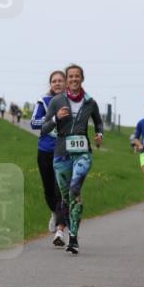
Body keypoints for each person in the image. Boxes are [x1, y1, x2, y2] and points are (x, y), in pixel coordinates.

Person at [40, 64, 103, 255]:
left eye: (77, 76)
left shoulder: (90, 102)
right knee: (66, 196)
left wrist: (99, 134)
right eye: (71, 76)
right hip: (60, 152)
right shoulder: (57, 101)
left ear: (82, 78)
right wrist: (57, 118)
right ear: (67, 80)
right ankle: (69, 233)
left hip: (83, 152)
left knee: (75, 189)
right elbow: (44, 128)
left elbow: (98, 121)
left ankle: (73, 237)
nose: (74, 79)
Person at [30, 70, 68, 246]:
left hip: (64, 152)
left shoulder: (72, 103)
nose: (57, 83)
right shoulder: (43, 102)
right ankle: (55, 212)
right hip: (45, 151)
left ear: (66, 83)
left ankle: (60, 231)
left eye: (60, 80)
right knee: (48, 190)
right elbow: (34, 123)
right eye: (54, 81)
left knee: (60, 190)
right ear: (50, 84)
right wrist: (54, 119)